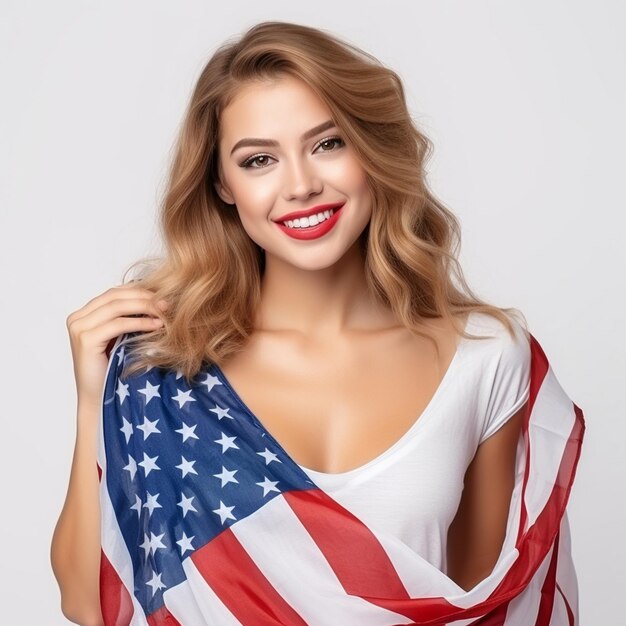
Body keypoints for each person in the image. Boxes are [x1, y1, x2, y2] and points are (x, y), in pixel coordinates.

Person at [50, 20, 584, 626]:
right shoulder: (166, 370)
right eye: (259, 160)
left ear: (372, 149)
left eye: (328, 144)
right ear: (223, 185)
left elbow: (480, 605)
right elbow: (88, 603)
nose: (301, 185)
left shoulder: (485, 356)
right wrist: (94, 398)